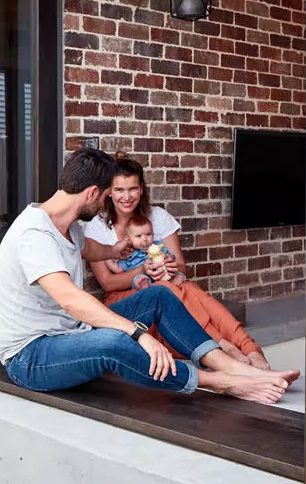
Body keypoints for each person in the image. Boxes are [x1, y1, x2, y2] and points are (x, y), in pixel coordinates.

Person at [0, 147, 296, 403]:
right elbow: (71, 300)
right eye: (106, 196)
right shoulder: (35, 235)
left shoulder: (68, 225)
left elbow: (92, 249)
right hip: (31, 356)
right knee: (113, 341)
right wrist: (135, 332)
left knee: (160, 294)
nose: (104, 205)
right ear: (92, 192)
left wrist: (116, 250)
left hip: (72, 334)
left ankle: (231, 366)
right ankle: (221, 382)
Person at [83, 154, 270, 366]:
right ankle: (224, 347)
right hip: (128, 299)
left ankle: (250, 349)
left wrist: (172, 268)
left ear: (142, 188)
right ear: (109, 191)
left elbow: (182, 267)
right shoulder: (97, 226)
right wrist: (143, 271)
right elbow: (107, 282)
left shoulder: (158, 216)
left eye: (132, 188)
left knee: (191, 290)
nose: (127, 196)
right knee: (171, 292)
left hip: (169, 284)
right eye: (119, 190)